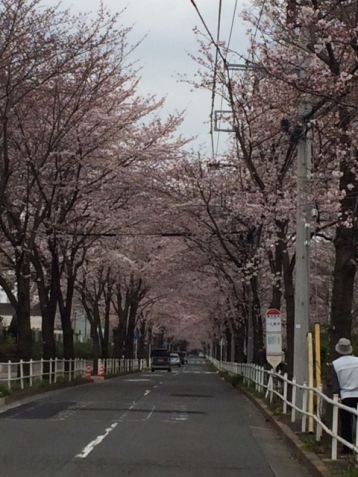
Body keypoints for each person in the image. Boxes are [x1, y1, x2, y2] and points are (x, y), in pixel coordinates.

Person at [332, 338, 358, 455]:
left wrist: (337, 395)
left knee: (346, 423)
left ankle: (347, 448)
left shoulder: (336, 364)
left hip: (346, 396)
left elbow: (335, 384)